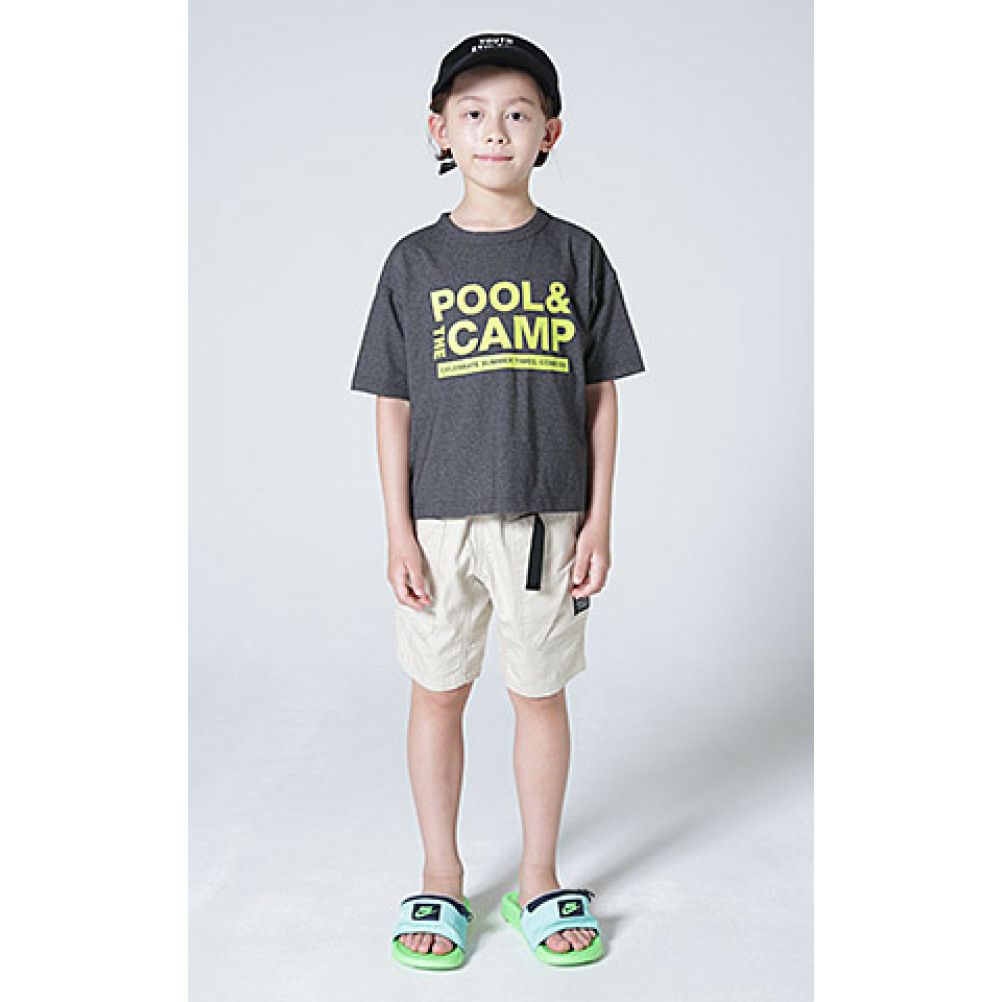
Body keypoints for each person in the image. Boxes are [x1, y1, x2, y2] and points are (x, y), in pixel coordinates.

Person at [350, 32, 646, 970]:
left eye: (518, 113)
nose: (495, 130)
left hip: (545, 520)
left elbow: (600, 395)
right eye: (473, 113)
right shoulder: (414, 262)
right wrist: (397, 530)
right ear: (439, 129)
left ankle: (538, 879)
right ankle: (441, 877)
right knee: (437, 695)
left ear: (549, 132)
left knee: (539, 695)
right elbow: (392, 403)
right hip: (439, 523)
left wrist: (598, 518)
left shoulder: (576, 254)